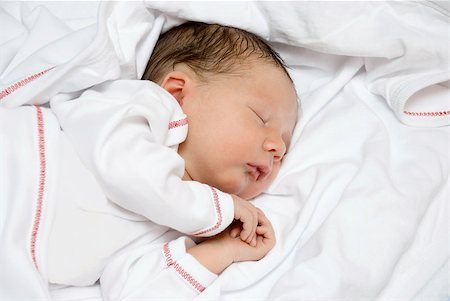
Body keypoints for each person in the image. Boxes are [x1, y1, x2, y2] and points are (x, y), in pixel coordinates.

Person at [45, 21, 298, 298]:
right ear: (177, 93)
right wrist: (214, 210)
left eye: (284, 147)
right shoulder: (138, 110)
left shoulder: (178, 228)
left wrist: (222, 251)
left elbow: (137, 292)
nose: (277, 149)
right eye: (260, 118)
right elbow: (126, 171)